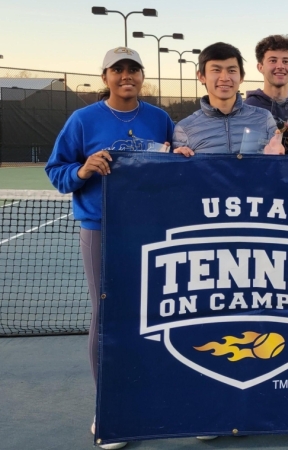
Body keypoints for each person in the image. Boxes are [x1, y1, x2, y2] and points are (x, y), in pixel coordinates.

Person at [45, 47, 174, 450]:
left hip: (151, 230)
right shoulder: (82, 120)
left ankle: (157, 398)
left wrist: (178, 159)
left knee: (158, 312)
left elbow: (180, 170)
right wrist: (82, 169)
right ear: (105, 77)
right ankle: (109, 405)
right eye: (118, 70)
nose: (126, 76)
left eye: (133, 69)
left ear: (141, 76)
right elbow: (57, 171)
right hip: (101, 227)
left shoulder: (160, 118)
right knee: (106, 314)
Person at [173, 42, 283, 156]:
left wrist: (277, 158)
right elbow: (181, 172)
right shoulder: (184, 128)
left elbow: (274, 167)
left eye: (232, 71)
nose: (225, 78)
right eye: (216, 70)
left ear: (241, 77)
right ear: (201, 76)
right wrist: (178, 161)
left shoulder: (264, 118)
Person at [245, 34, 288, 151]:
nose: (280, 66)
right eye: (273, 60)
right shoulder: (246, 109)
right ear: (260, 67)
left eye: (285, 61)